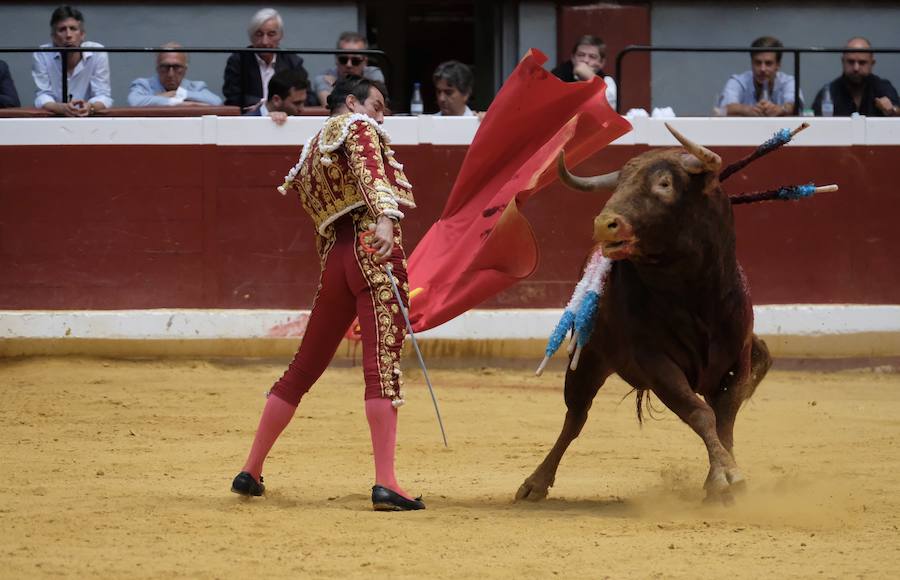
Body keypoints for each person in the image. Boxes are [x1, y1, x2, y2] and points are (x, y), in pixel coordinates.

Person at [231, 75, 423, 511]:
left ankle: (252, 469)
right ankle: (386, 482)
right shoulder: (358, 127)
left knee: (303, 367)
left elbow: (321, 215)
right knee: (381, 367)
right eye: (377, 104)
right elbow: (372, 174)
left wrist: (336, 267)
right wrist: (386, 220)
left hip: (336, 258)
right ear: (352, 102)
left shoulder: (312, 149)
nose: (381, 115)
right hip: (371, 248)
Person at [222, 8, 313, 110]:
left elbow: (308, 97)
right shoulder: (238, 60)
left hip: (285, 118)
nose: (264, 42)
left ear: (280, 36)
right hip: (251, 117)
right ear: (251, 37)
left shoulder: (292, 61)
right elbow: (233, 96)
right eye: (259, 34)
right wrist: (265, 107)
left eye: (271, 34)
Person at [32, 5, 111, 116]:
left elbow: (103, 95)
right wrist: (61, 108)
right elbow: (42, 95)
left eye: (73, 29)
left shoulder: (97, 52)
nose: (68, 35)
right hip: (54, 118)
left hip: (89, 119)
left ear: (82, 34)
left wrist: (90, 107)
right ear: (53, 37)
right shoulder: (42, 54)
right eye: (62, 30)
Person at [812, 37, 899, 117]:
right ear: (843, 61)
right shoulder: (829, 92)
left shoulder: (883, 87)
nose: (856, 68)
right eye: (851, 62)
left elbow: (897, 111)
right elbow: (814, 124)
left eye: (862, 62)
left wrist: (892, 110)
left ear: (872, 63)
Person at [719, 36, 799, 117]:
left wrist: (780, 109)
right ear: (751, 63)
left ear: (778, 65)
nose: (762, 69)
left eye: (768, 63)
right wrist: (748, 110)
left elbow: (795, 106)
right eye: (758, 62)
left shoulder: (788, 81)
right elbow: (724, 109)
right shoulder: (738, 81)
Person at [127, 43, 222, 107]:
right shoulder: (144, 85)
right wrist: (177, 102)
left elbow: (216, 102)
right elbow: (134, 102)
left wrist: (180, 94)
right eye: (165, 67)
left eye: (177, 67)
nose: (170, 74)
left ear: (185, 70)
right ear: (157, 68)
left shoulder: (195, 87)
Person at [312, 32, 385, 107]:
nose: (349, 65)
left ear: (365, 61)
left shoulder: (373, 73)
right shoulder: (324, 77)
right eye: (343, 59)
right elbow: (329, 107)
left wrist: (338, 86)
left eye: (355, 61)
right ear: (336, 59)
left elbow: (374, 105)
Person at [551, 34, 617, 111]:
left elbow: (611, 109)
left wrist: (591, 77)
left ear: (601, 63)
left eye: (592, 57)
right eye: (581, 55)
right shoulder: (557, 76)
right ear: (573, 58)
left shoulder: (607, 81)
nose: (585, 60)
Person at [243, 68, 308, 125]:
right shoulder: (245, 123)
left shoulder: (299, 125)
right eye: (297, 103)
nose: (302, 109)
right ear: (276, 100)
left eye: (303, 102)